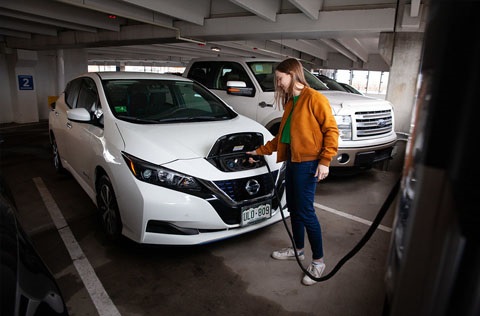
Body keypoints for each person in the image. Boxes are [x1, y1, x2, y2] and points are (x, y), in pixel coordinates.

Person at [246, 58, 339, 286]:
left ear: (292, 74)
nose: (278, 83)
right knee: (294, 210)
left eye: (280, 78)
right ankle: (297, 250)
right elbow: (282, 139)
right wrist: (259, 151)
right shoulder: (291, 102)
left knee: (306, 212)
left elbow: (332, 130)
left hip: (308, 165)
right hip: (293, 162)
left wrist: (325, 161)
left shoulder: (314, 98)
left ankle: (318, 262)